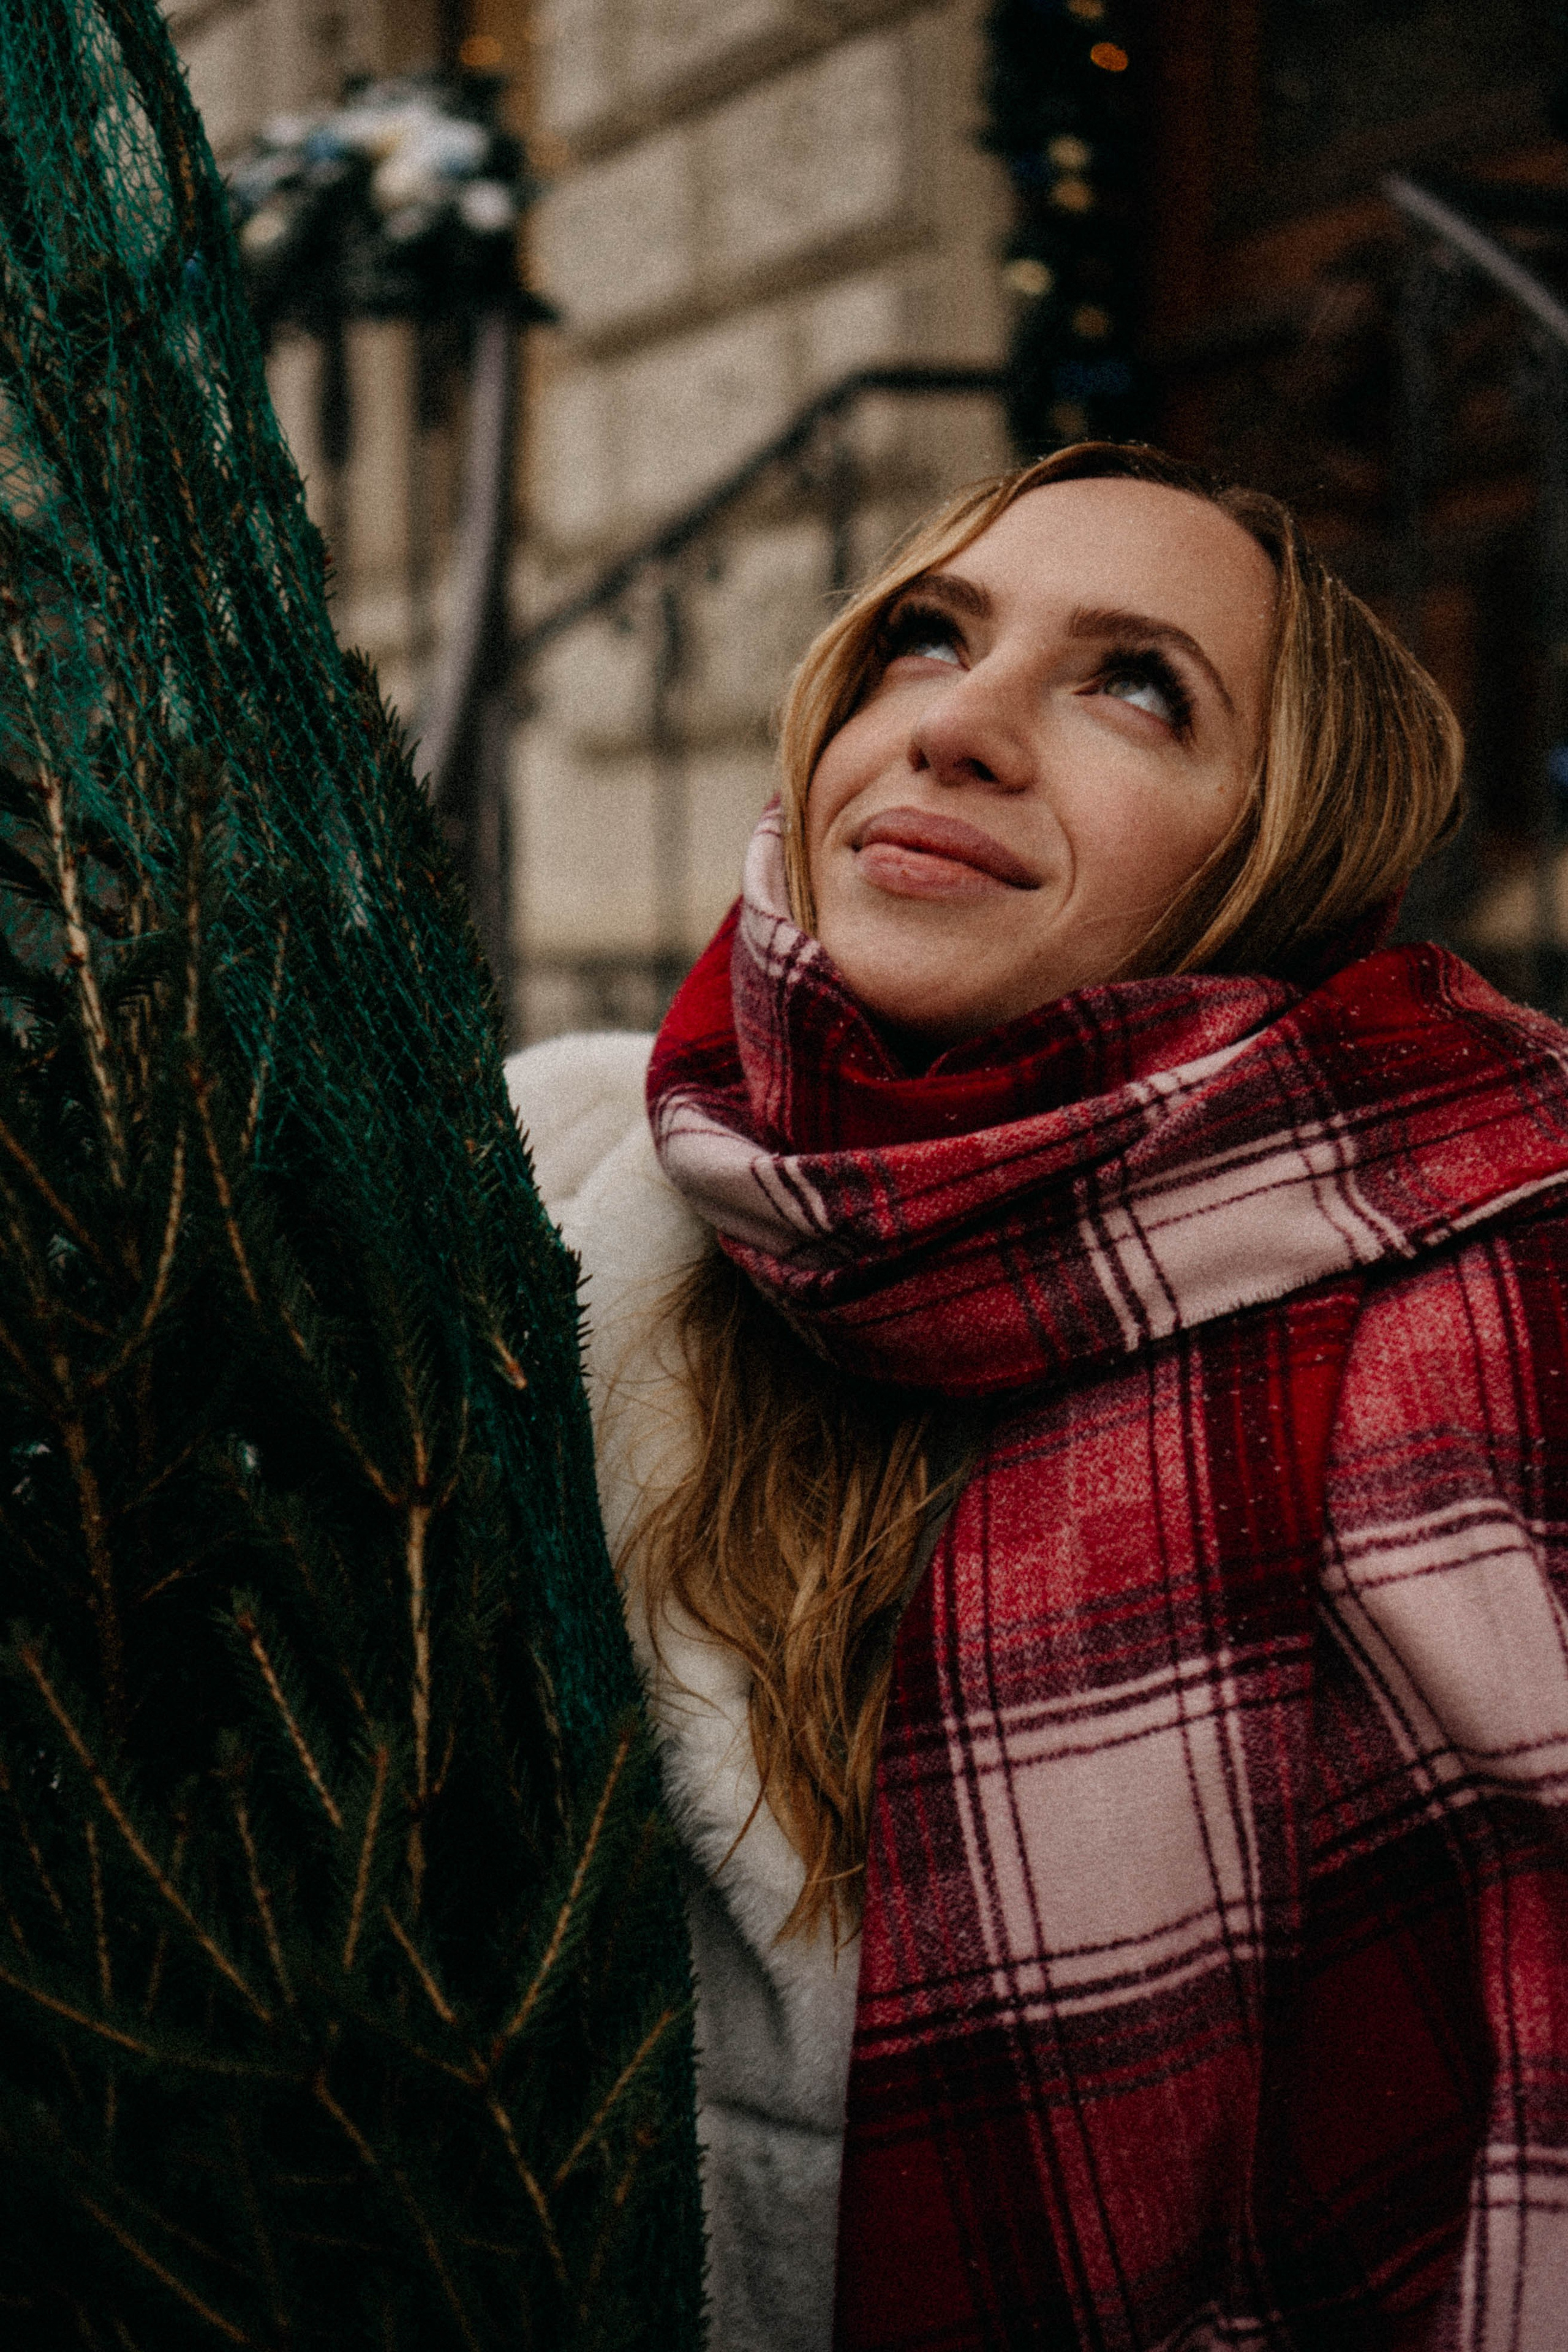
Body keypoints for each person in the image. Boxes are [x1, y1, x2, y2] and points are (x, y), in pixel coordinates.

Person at [507, 441, 1568, 2352]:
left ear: (1282, 846)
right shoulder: (558, 1204)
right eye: (926, 640)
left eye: (1137, 685)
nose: (961, 730)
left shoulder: (1480, 1288)